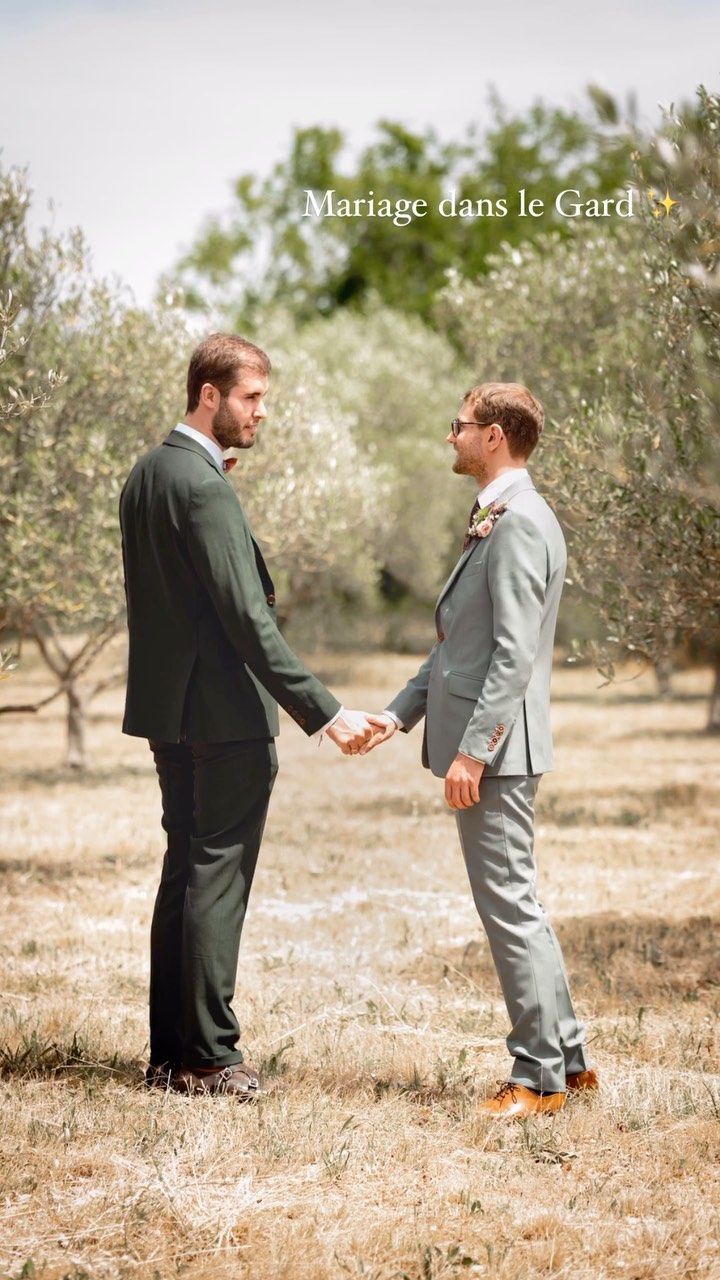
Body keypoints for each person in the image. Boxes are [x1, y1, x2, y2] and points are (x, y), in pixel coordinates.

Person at [120, 333, 376, 1099]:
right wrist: (325, 713)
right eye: (252, 397)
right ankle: (208, 1058)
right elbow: (245, 619)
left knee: (185, 873)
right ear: (209, 395)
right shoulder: (202, 486)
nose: (263, 412)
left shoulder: (145, 475)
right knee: (216, 877)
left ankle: (171, 1055)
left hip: (170, 711)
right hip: (224, 715)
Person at [364, 382, 598, 1117]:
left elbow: (513, 654)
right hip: (487, 744)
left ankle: (537, 1080)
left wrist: (472, 753)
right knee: (518, 902)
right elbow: (458, 646)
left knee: (509, 909)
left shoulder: (520, 521)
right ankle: (571, 1062)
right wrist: (399, 715)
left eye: (459, 425)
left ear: (494, 435)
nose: (451, 437)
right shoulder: (499, 514)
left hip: (496, 753)